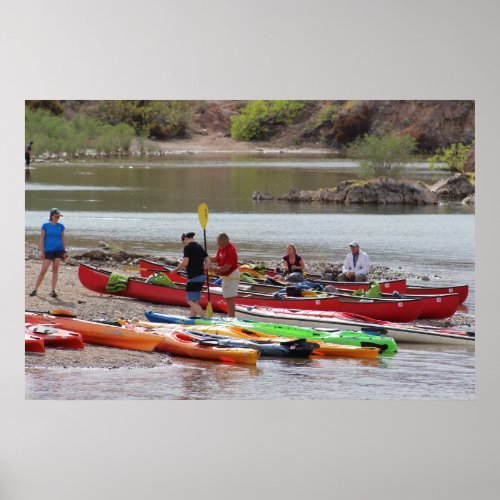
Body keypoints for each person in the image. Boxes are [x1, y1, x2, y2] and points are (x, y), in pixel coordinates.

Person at [171, 232, 211, 318]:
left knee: (190, 301)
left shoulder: (187, 247)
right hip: (201, 276)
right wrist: (203, 268)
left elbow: (185, 262)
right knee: (194, 300)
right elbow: (208, 261)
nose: (183, 243)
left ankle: (205, 317)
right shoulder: (199, 247)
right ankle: (192, 316)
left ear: (186, 238)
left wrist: (175, 270)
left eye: (183, 241)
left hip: (193, 277)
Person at [29, 208, 67, 298]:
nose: (58, 217)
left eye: (59, 216)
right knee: (43, 271)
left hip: (58, 250)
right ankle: (35, 290)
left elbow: (63, 239)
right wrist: (42, 251)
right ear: (51, 216)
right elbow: (41, 239)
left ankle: (53, 291)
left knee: (55, 270)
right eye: (56, 216)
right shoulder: (45, 226)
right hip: (48, 251)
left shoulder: (61, 226)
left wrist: (64, 251)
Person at [210, 232, 240, 317]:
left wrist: (215, 270)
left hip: (231, 275)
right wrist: (207, 258)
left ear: (226, 242)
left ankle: (231, 316)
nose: (219, 245)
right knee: (227, 296)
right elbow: (217, 258)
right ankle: (230, 315)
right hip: (226, 276)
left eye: (221, 244)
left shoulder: (230, 250)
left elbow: (227, 267)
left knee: (229, 297)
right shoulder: (221, 247)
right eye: (218, 243)